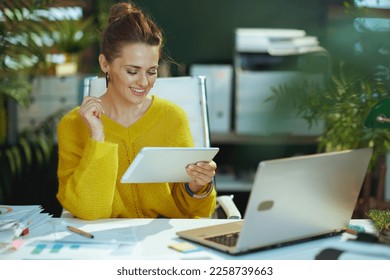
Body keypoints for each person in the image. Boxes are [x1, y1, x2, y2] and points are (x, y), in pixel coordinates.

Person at [56, 1, 217, 220]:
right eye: (132, 71)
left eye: (152, 71)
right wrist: (98, 138)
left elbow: (196, 214)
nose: (144, 82)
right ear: (105, 64)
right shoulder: (73, 124)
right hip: (103, 244)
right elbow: (89, 211)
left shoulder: (172, 118)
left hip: (163, 244)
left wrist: (196, 186)